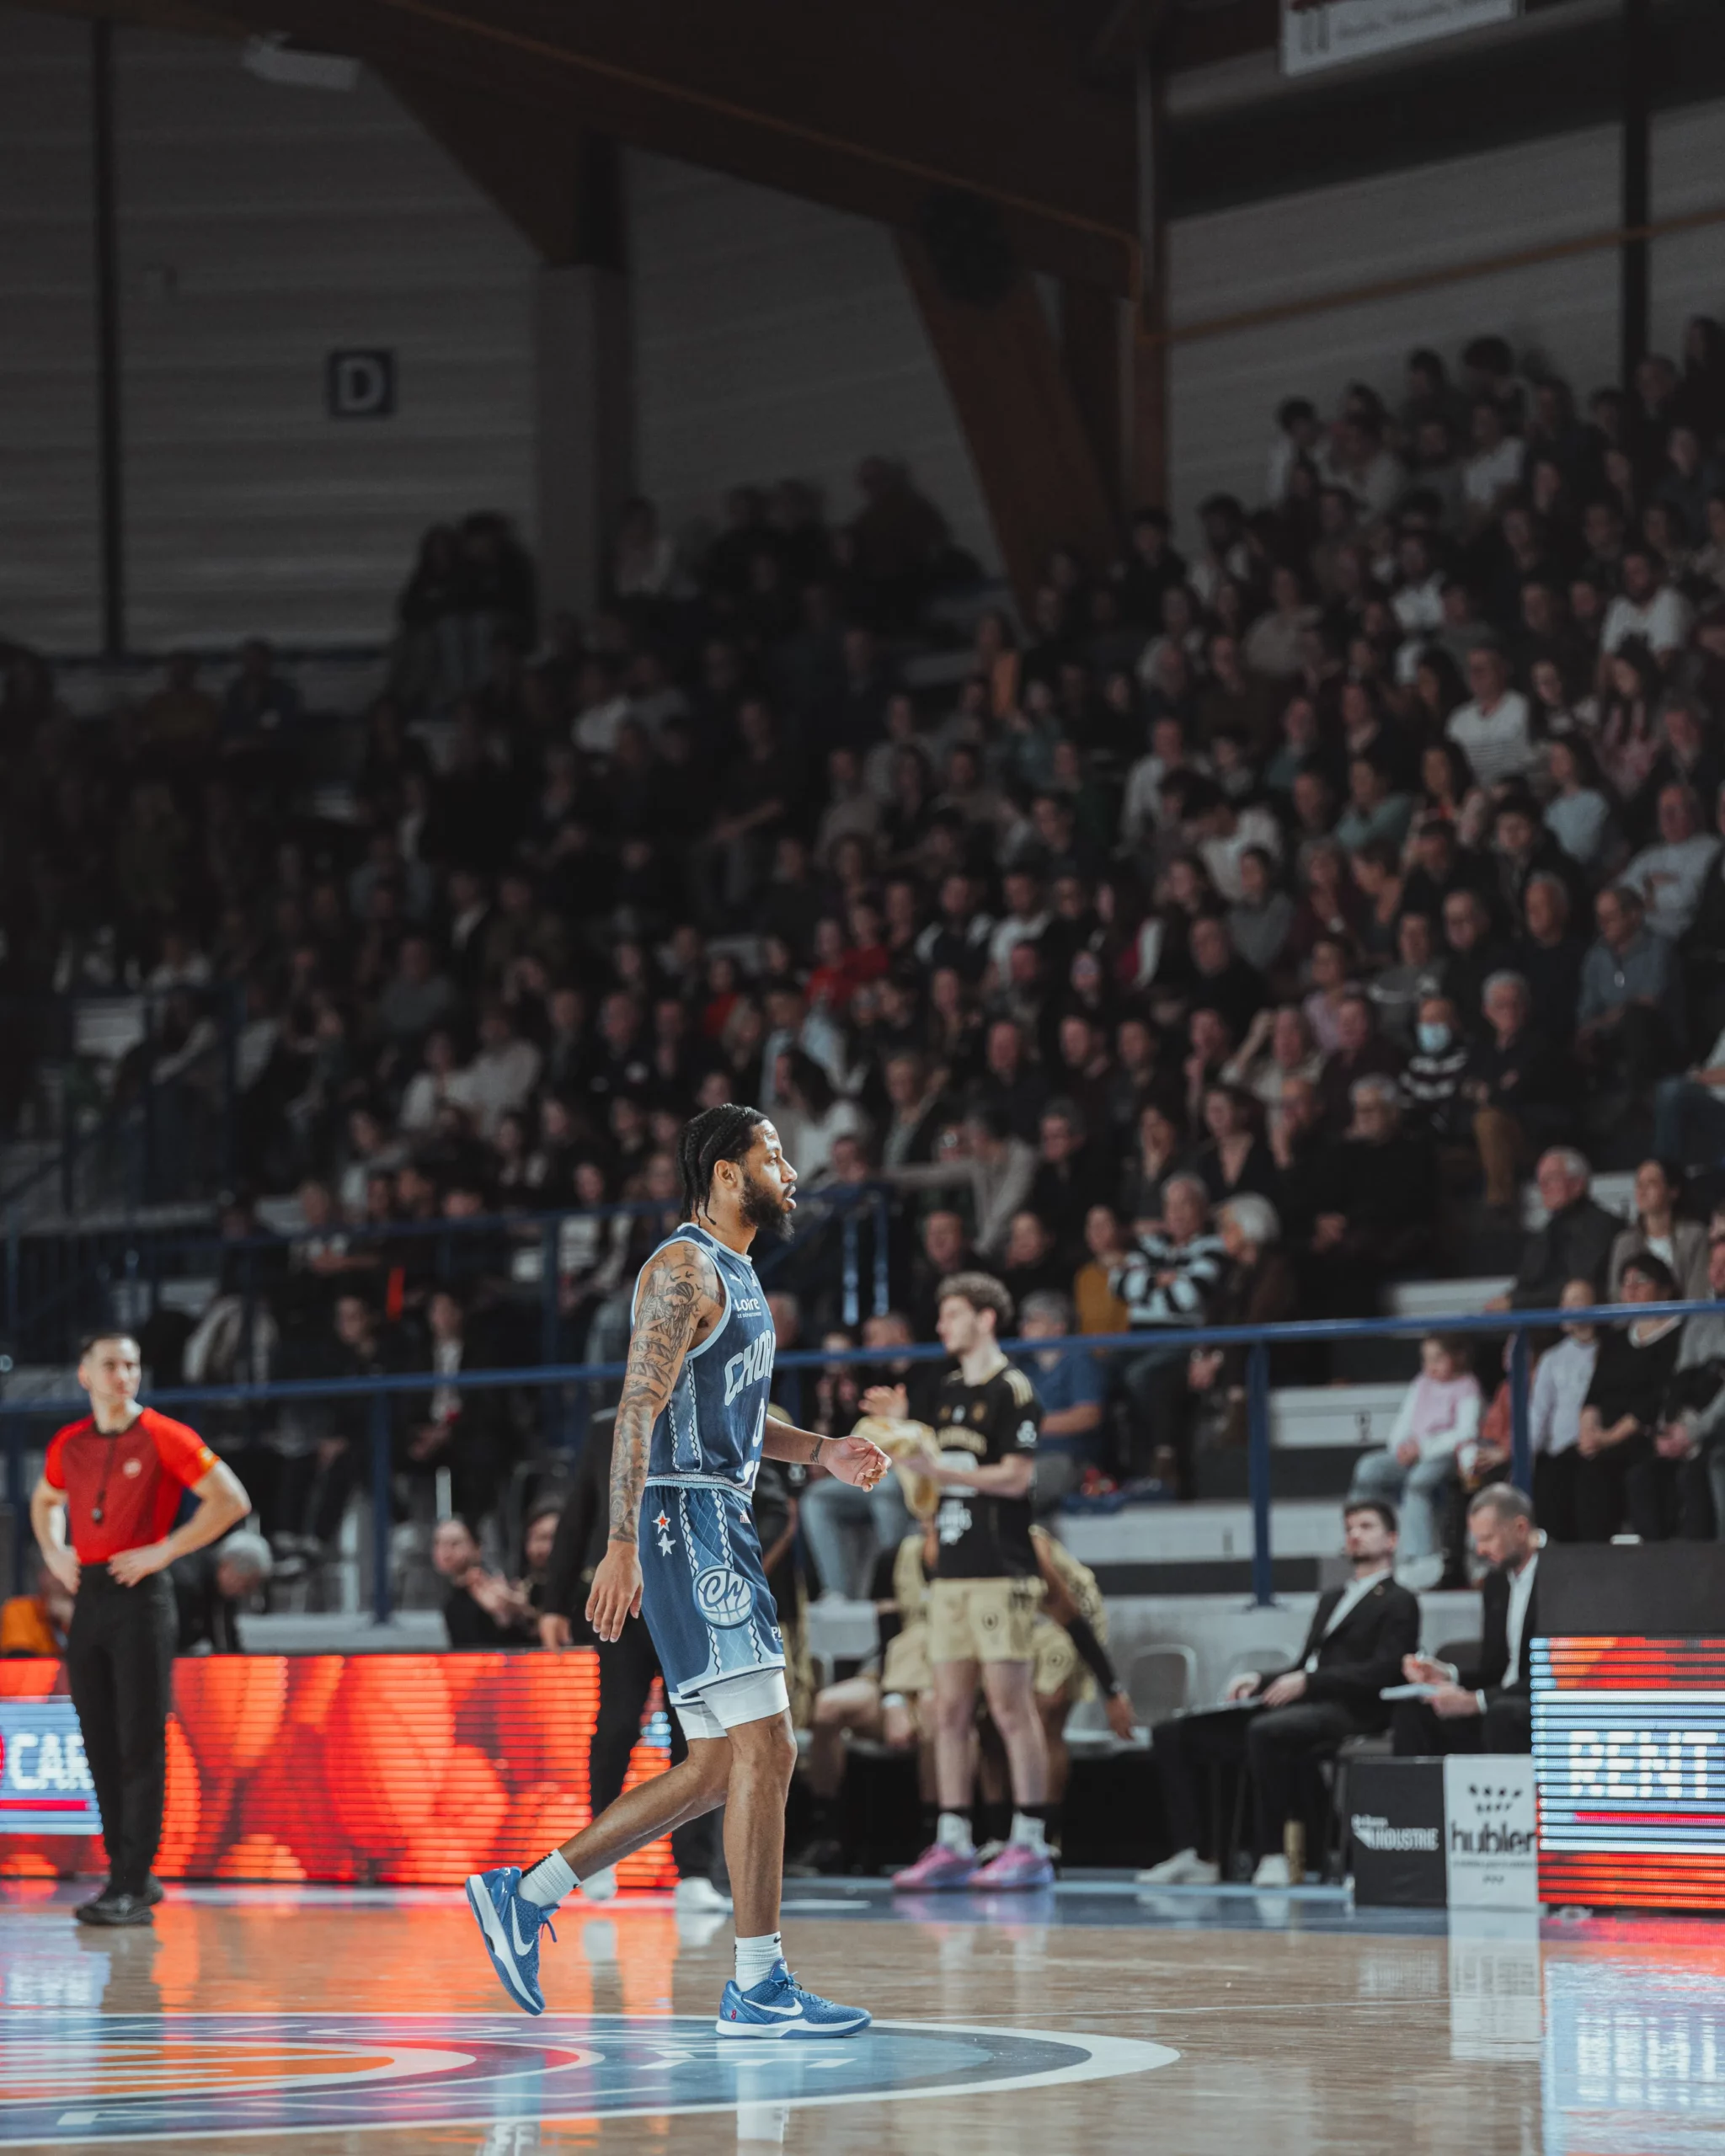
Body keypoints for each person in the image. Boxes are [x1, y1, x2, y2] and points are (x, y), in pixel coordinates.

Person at [467, 1102, 889, 2034]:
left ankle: (525, 1894)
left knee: (714, 1769)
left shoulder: (739, 1273)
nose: (790, 1170)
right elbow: (636, 1406)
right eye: (773, 1155)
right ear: (727, 1173)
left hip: (714, 1513)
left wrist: (820, 1451)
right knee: (771, 1748)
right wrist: (618, 1542)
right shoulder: (682, 1267)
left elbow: (735, 1414)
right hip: (684, 1520)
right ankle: (758, 1982)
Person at [29, 1332, 249, 1926]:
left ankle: (129, 1878)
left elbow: (231, 1499)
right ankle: (129, 1874)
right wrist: (53, 1551)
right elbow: (45, 1499)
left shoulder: (164, 1434)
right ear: (85, 1374)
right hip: (90, 1593)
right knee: (98, 1738)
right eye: (110, 1364)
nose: (123, 1374)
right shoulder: (69, 1442)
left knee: (139, 1739)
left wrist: (166, 1550)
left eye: (131, 1364)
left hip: (142, 1593)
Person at [866, 1273, 1056, 1892]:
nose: (942, 1326)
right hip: (949, 1568)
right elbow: (929, 1473)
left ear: (985, 1318)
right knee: (946, 1709)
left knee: (1009, 1707)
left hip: (1001, 1569)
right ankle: (953, 1840)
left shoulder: (1013, 1390)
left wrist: (940, 1470)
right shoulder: (945, 1391)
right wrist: (903, 1433)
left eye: (953, 1315)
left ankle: (1031, 1841)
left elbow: (1016, 1478)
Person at [1140, 1500, 1418, 1887]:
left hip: (1353, 1708)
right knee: (1174, 1733)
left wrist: (1309, 1683)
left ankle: (1273, 1854)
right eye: (1350, 1528)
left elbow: (1383, 1670)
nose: (1355, 1534)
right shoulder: (1333, 1598)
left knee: (1267, 1731)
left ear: (1392, 1540)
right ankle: (1196, 1854)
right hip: (1307, 1700)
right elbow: (1306, 1664)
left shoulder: (1399, 1600)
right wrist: (1261, 1679)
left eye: (1366, 1526)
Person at [537, 1411, 726, 1914]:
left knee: (695, 1736)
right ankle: (597, 1855)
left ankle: (694, 1871)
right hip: (625, 1604)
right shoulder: (607, 1427)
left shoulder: (702, 1415)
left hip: (691, 1604)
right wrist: (553, 1603)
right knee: (617, 1726)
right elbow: (578, 1517)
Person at [1392, 1485, 1541, 1755]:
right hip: (1499, 1703)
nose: (1481, 1550)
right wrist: (1448, 1674)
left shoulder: (1562, 1574)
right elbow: (1496, 1668)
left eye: (1488, 1539)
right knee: (1414, 1709)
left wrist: (1477, 1701)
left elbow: (1553, 1675)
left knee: (1502, 1715)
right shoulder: (1497, 1582)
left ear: (1520, 1528)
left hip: (1538, 1708)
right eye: (1477, 1541)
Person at [1348, 1335, 1483, 1587]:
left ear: (1457, 1357)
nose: (1430, 1366)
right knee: (1368, 1468)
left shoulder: (1467, 1387)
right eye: (1426, 1359)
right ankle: (1366, 1539)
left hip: (1445, 1455)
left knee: (1419, 1482)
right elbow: (1404, 1420)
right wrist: (1401, 1446)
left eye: (1437, 1359)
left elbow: (1466, 1433)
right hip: (1412, 1454)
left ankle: (1418, 1558)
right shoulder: (1421, 1383)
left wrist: (1422, 1449)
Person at [1576, 1251, 1686, 1540]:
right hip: (1605, 1438)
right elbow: (1594, 1395)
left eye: (1641, 1281)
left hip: (1644, 1435)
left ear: (1666, 1289)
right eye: (1625, 1283)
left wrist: (1608, 1438)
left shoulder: (1679, 1335)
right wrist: (1589, 1433)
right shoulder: (1615, 1339)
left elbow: (1656, 1398)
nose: (1631, 1289)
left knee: (1636, 1475)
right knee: (1564, 1468)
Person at [1529, 1280, 1600, 1541]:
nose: (1567, 1307)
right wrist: (1526, 1457)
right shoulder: (1552, 1358)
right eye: (1564, 1301)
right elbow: (1538, 1412)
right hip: (1557, 1454)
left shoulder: (1608, 1351)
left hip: (1594, 1450)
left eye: (1576, 1300)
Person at [170, 1528, 272, 1653]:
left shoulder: (221, 1591)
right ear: (227, 1566)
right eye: (246, 1585)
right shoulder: (185, 1584)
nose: (244, 1593)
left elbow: (227, 1643)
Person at [0, 1559, 74, 1657]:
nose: (58, 1578)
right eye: (53, 1571)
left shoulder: (86, 1616)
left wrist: (73, 1622)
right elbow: (19, 1659)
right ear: (41, 1575)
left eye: (65, 1572)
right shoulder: (20, 1609)